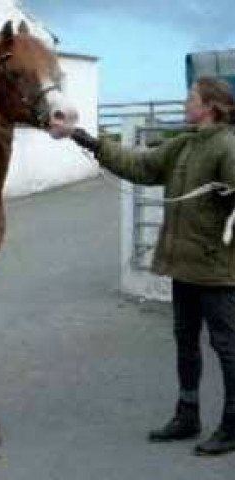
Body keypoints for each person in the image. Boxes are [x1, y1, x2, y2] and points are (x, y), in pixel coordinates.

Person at [71, 76, 235, 456]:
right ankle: (187, 414)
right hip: (184, 267)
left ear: (209, 106)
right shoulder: (185, 145)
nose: (184, 102)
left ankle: (231, 424)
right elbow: (140, 166)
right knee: (186, 342)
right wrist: (87, 140)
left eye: (191, 98)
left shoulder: (227, 146)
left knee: (226, 347)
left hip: (217, 269)